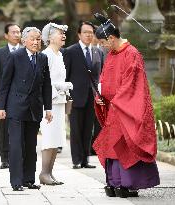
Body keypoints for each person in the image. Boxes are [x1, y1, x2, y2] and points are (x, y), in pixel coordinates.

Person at [93, 14, 160, 198]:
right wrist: (100, 97)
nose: (101, 46)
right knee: (112, 146)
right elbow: (104, 79)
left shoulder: (132, 54)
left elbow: (133, 85)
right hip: (113, 107)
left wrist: (117, 101)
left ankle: (127, 183)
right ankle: (114, 183)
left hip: (125, 108)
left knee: (126, 144)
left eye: (102, 42)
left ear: (112, 38)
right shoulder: (112, 55)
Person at [0, 27, 52, 191]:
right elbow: (4, 83)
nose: (36, 42)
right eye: (33, 39)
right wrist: (1, 107)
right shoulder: (14, 56)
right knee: (16, 146)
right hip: (15, 107)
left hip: (34, 107)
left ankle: (28, 179)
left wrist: (48, 108)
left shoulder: (42, 58)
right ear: (24, 41)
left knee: (30, 146)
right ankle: (16, 181)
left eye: (38, 39)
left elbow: (46, 85)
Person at [64, 21, 104, 169]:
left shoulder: (98, 52)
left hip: (92, 97)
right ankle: (76, 160)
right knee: (76, 129)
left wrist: (100, 94)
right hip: (75, 97)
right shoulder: (70, 51)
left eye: (91, 32)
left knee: (88, 129)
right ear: (79, 34)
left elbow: (101, 76)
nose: (89, 35)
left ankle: (86, 160)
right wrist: (67, 96)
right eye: (86, 32)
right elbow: (65, 76)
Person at [39, 23, 73, 185]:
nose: (64, 36)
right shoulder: (46, 55)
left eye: (64, 33)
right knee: (49, 138)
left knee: (57, 139)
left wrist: (64, 86)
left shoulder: (59, 55)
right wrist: (59, 87)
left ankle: (49, 173)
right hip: (49, 103)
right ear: (50, 37)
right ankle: (44, 173)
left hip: (59, 101)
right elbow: (43, 82)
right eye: (60, 33)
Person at [0, 23, 21, 169]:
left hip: (21, 96)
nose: (16, 34)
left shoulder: (25, 51)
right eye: (13, 32)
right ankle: (5, 158)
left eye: (18, 32)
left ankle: (19, 156)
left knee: (21, 127)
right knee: (5, 128)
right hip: (5, 97)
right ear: (6, 36)